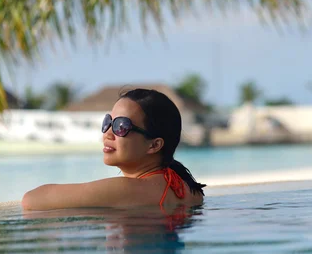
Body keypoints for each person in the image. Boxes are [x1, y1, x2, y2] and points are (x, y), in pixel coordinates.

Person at [21, 88, 206, 211]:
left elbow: (31, 200)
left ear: (154, 145)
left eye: (121, 126)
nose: (108, 133)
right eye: (108, 122)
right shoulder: (188, 188)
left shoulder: (127, 190)